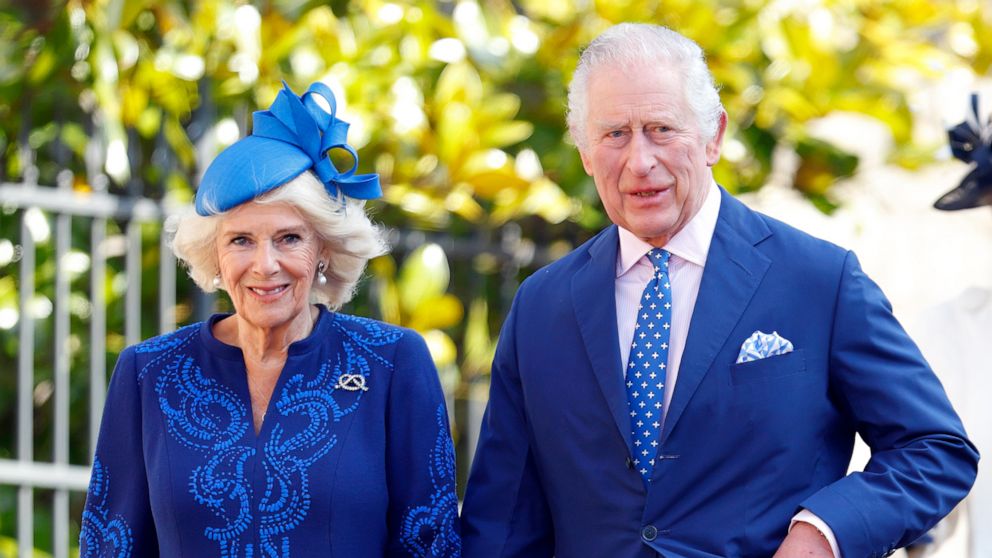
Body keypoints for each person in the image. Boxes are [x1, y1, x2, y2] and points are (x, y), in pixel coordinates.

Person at [460, 23, 978, 558]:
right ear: (586, 152)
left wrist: (824, 532)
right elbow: (502, 520)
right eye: (615, 134)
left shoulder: (819, 280)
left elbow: (934, 450)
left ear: (714, 136)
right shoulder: (542, 305)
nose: (640, 161)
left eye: (662, 128)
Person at [79, 82, 461, 557]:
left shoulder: (391, 363)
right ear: (214, 255)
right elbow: (110, 545)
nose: (265, 265)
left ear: (323, 248)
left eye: (288, 238)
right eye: (241, 240)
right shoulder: (148, 373)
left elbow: (431, 541)